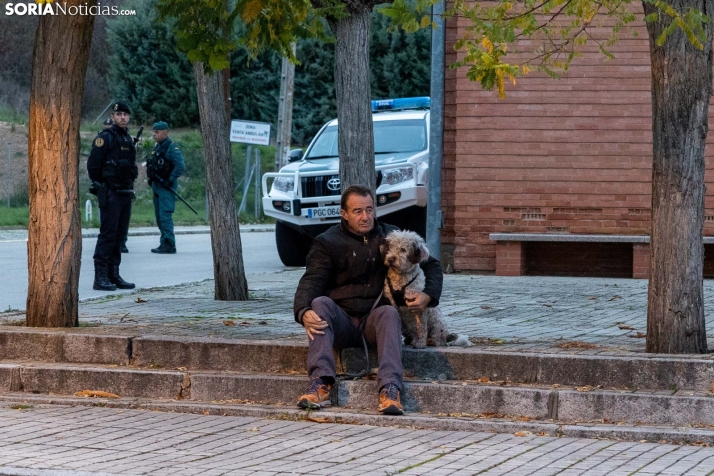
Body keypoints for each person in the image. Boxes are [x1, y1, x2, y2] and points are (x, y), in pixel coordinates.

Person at [293, 185, 443, 415]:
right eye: (357, 211)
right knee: (320, 303)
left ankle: (390, 388)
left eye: (369, 210)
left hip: (374, 320)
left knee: (389, 312)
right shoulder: (327, 242)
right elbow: (311, 280)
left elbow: (431, 264)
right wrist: (303, 311)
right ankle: (320, 384)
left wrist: (428, 295)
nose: (365, 217)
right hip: (341, 321)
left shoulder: (390, 236)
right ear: (344, 214)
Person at [87, 102, 138, 291]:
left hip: (125, 192)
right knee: (108, 235)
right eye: (119, 114)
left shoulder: (127, 139)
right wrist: (101, 185)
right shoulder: (105, 138)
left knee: (119, 236)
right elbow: (94, 164)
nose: (123, 117)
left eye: (126, 114)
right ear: (113, 116)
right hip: (111, 192)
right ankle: (100, 277)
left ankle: (113, 274)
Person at [146, 121, 185, 254]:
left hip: (166, 186)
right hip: (157, 185)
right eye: (153, 132)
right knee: (159, 216)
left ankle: (169, 243)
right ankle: (164, 241)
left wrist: (170, 180)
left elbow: (180, 166)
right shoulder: (158, 147)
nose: (154, 134)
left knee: (165, 215)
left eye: (156, 132)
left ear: (165, 133)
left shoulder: (172, 147)